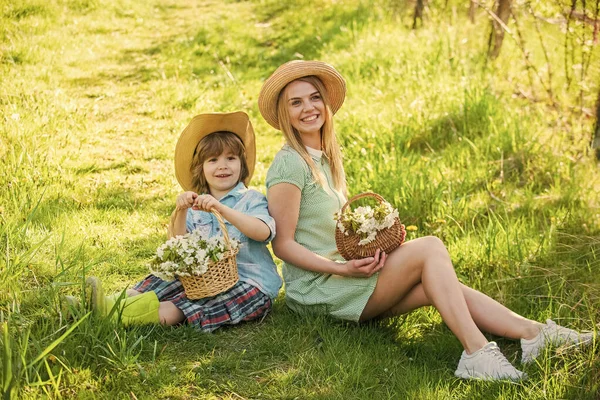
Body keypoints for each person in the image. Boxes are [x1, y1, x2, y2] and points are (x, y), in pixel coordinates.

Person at [259, 60, 593, 380]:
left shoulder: (325, 156)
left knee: (437, 285)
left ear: (326, 103)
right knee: (430, 248)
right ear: (284, 114)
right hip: (319, 290)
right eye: (296, 103)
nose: (309, 108)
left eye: (315, 97)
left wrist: (370, 246)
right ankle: (477, 353)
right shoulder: (290, 165)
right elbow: (283, 244)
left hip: (347, 275)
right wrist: (342, 269)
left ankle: (533, 334)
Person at [78, 111, 282, 333]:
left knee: (187, 304)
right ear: (201, 169)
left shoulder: (250, 199)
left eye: (230, 158)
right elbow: (177, 245)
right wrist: (181, 210)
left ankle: (116, 316)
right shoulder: (196, 207)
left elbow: (262, 232)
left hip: (250, 283)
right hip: (203, 278)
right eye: (213, 160)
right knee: (163, 281)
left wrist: (221, 208)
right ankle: (99, 305)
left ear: (241, 165)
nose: (222, 166)